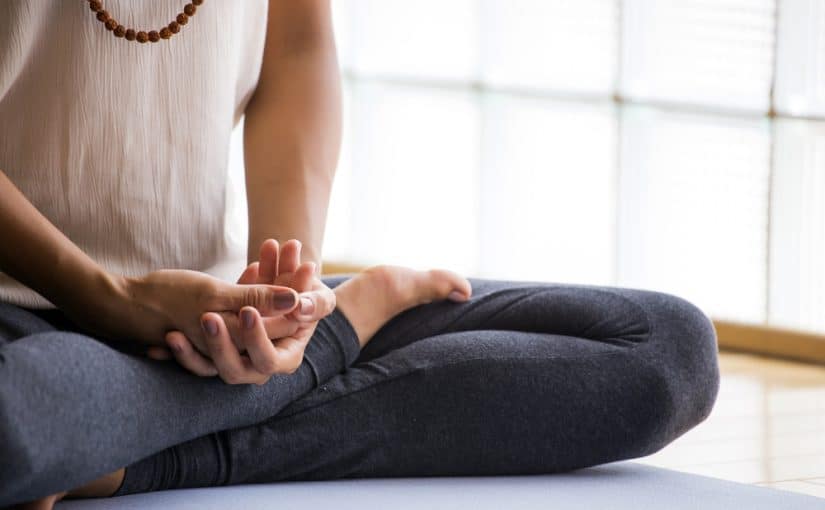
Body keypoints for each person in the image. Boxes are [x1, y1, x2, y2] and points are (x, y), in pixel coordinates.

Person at [0, 1, 720, 508]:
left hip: (208, 313)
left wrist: (286, 299)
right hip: (20, 308)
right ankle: (341, 335)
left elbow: (297, 51)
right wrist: (111, 300)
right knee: (13, 420)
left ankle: (118, 453)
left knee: (665, 350)